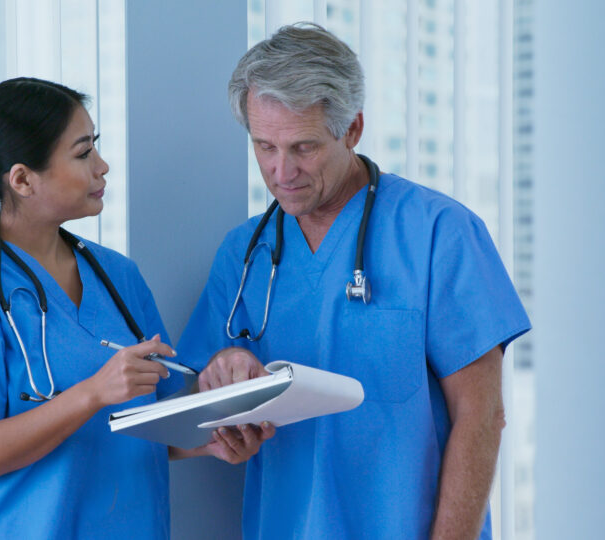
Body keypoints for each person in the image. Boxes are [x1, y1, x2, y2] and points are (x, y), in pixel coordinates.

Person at [176, 24, 532, 539]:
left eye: (304, 147)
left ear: (353, 129)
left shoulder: (439, 234)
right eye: (264, 147)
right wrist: (223, 375)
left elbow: (481, 417)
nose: (282, 171)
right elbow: (194, 411)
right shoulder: (245, 253)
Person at [0, 77, 269, 539]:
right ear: (23, 179)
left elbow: (145, 425)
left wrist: (210, 443)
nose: (102, 167)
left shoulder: (118, 277)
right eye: (83, 153)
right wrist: (92, 392)